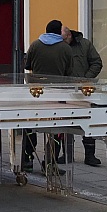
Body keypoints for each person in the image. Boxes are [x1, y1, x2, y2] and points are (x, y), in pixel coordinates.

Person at [23, 20, 73, 171]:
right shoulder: (65, 48)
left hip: (36, 93)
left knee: (31, 126)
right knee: (55, 129)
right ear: (59, 32)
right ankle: (50, 163)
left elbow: (27, 66)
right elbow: (69, 72)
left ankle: (28, 159)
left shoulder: (35, 45)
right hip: (57, 94)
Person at [64, 27, 104, 166]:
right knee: (65, 122)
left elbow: (97, 63)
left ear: (69, 35)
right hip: (64, 90)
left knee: (87, 121)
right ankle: (67, 154)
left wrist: (86, 79)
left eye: (64, 38)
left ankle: (90, 155)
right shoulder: (60, 46)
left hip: (84, 90)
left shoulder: (85, 44)